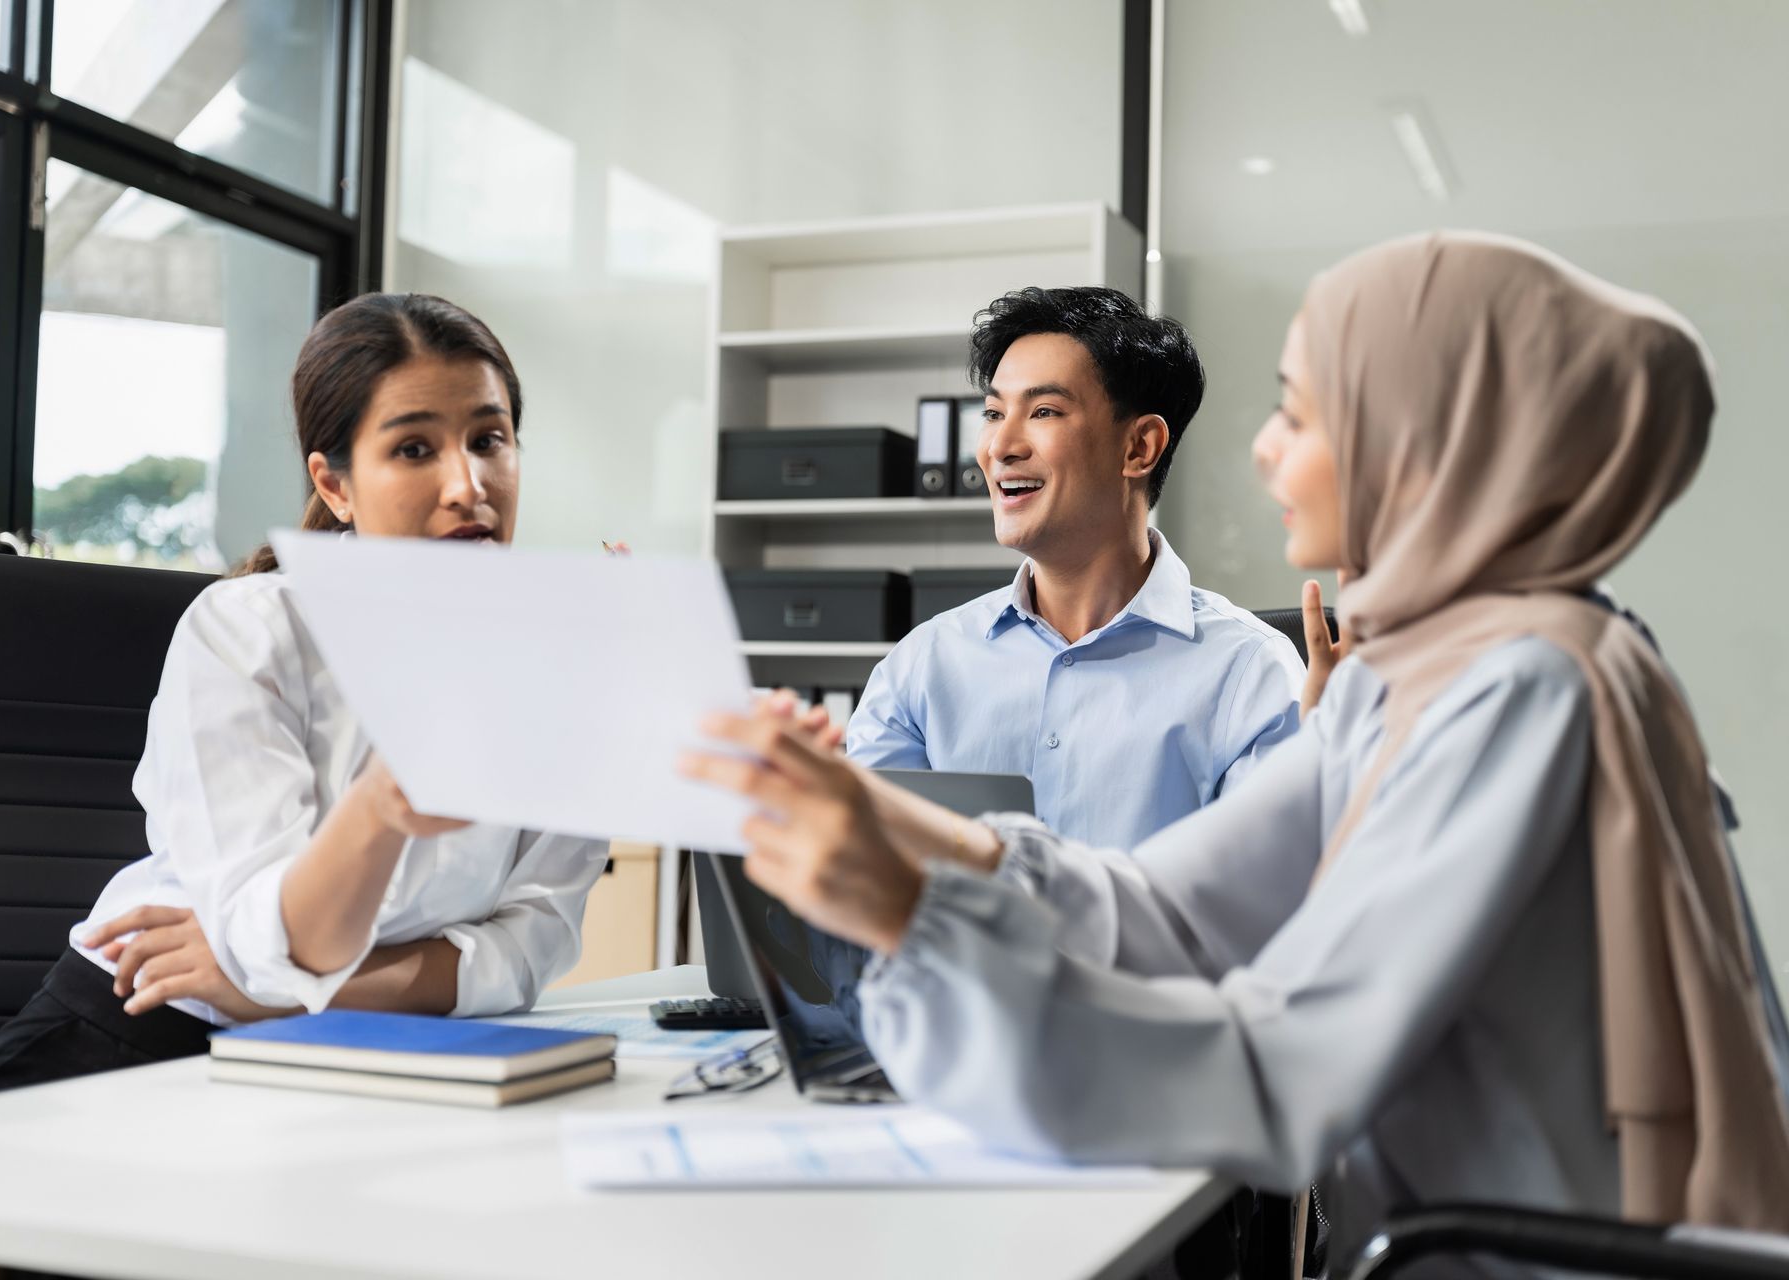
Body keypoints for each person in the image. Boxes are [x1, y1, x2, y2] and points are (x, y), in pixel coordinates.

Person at [683, 233, 1789, 1266]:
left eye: (1300, 415)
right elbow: (1163, 911)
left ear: (1425, 440)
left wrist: (915, 924)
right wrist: (879, 817)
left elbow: (1286, 1067)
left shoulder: (1527, 686)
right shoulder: (1415, 679)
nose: (1263, 448)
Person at [0, 292, 609, 1097]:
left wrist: (280, 988)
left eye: (489, 438)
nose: (467, 485)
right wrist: (375, 815)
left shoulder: (565, 665)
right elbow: (279, 942)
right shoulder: (249, 630)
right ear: (335, 486)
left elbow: (530, 946)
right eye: (413, 449)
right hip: (146, 1033)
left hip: (379, 1053)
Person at [845, 287, 1304, 849]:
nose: (999, 446)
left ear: (1139, 447)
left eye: (1043, 411)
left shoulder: (1250, 674)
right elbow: (869, 895)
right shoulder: (922, 667)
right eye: (993, 413)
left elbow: (1260, 908)